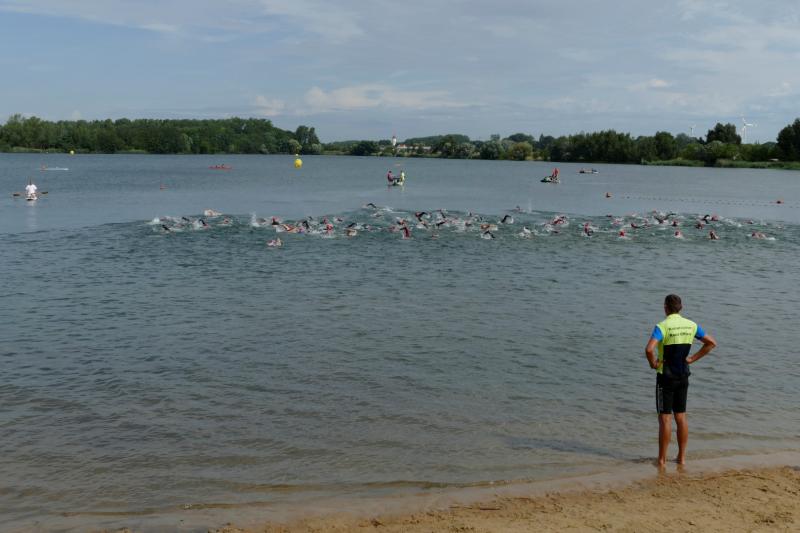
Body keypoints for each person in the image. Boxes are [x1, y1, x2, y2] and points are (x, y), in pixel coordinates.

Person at [645, 294, 716, 466]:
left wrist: (653, 363)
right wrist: (692, 359)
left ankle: (662, 460)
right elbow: (711, 343)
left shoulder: (662, 326)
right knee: (681, 417)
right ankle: (681, 458)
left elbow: (649, 349)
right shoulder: (691, 325)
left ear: (665, 308)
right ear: (680, 308)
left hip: (666, 377)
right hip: (683, 375)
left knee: (665, 419)